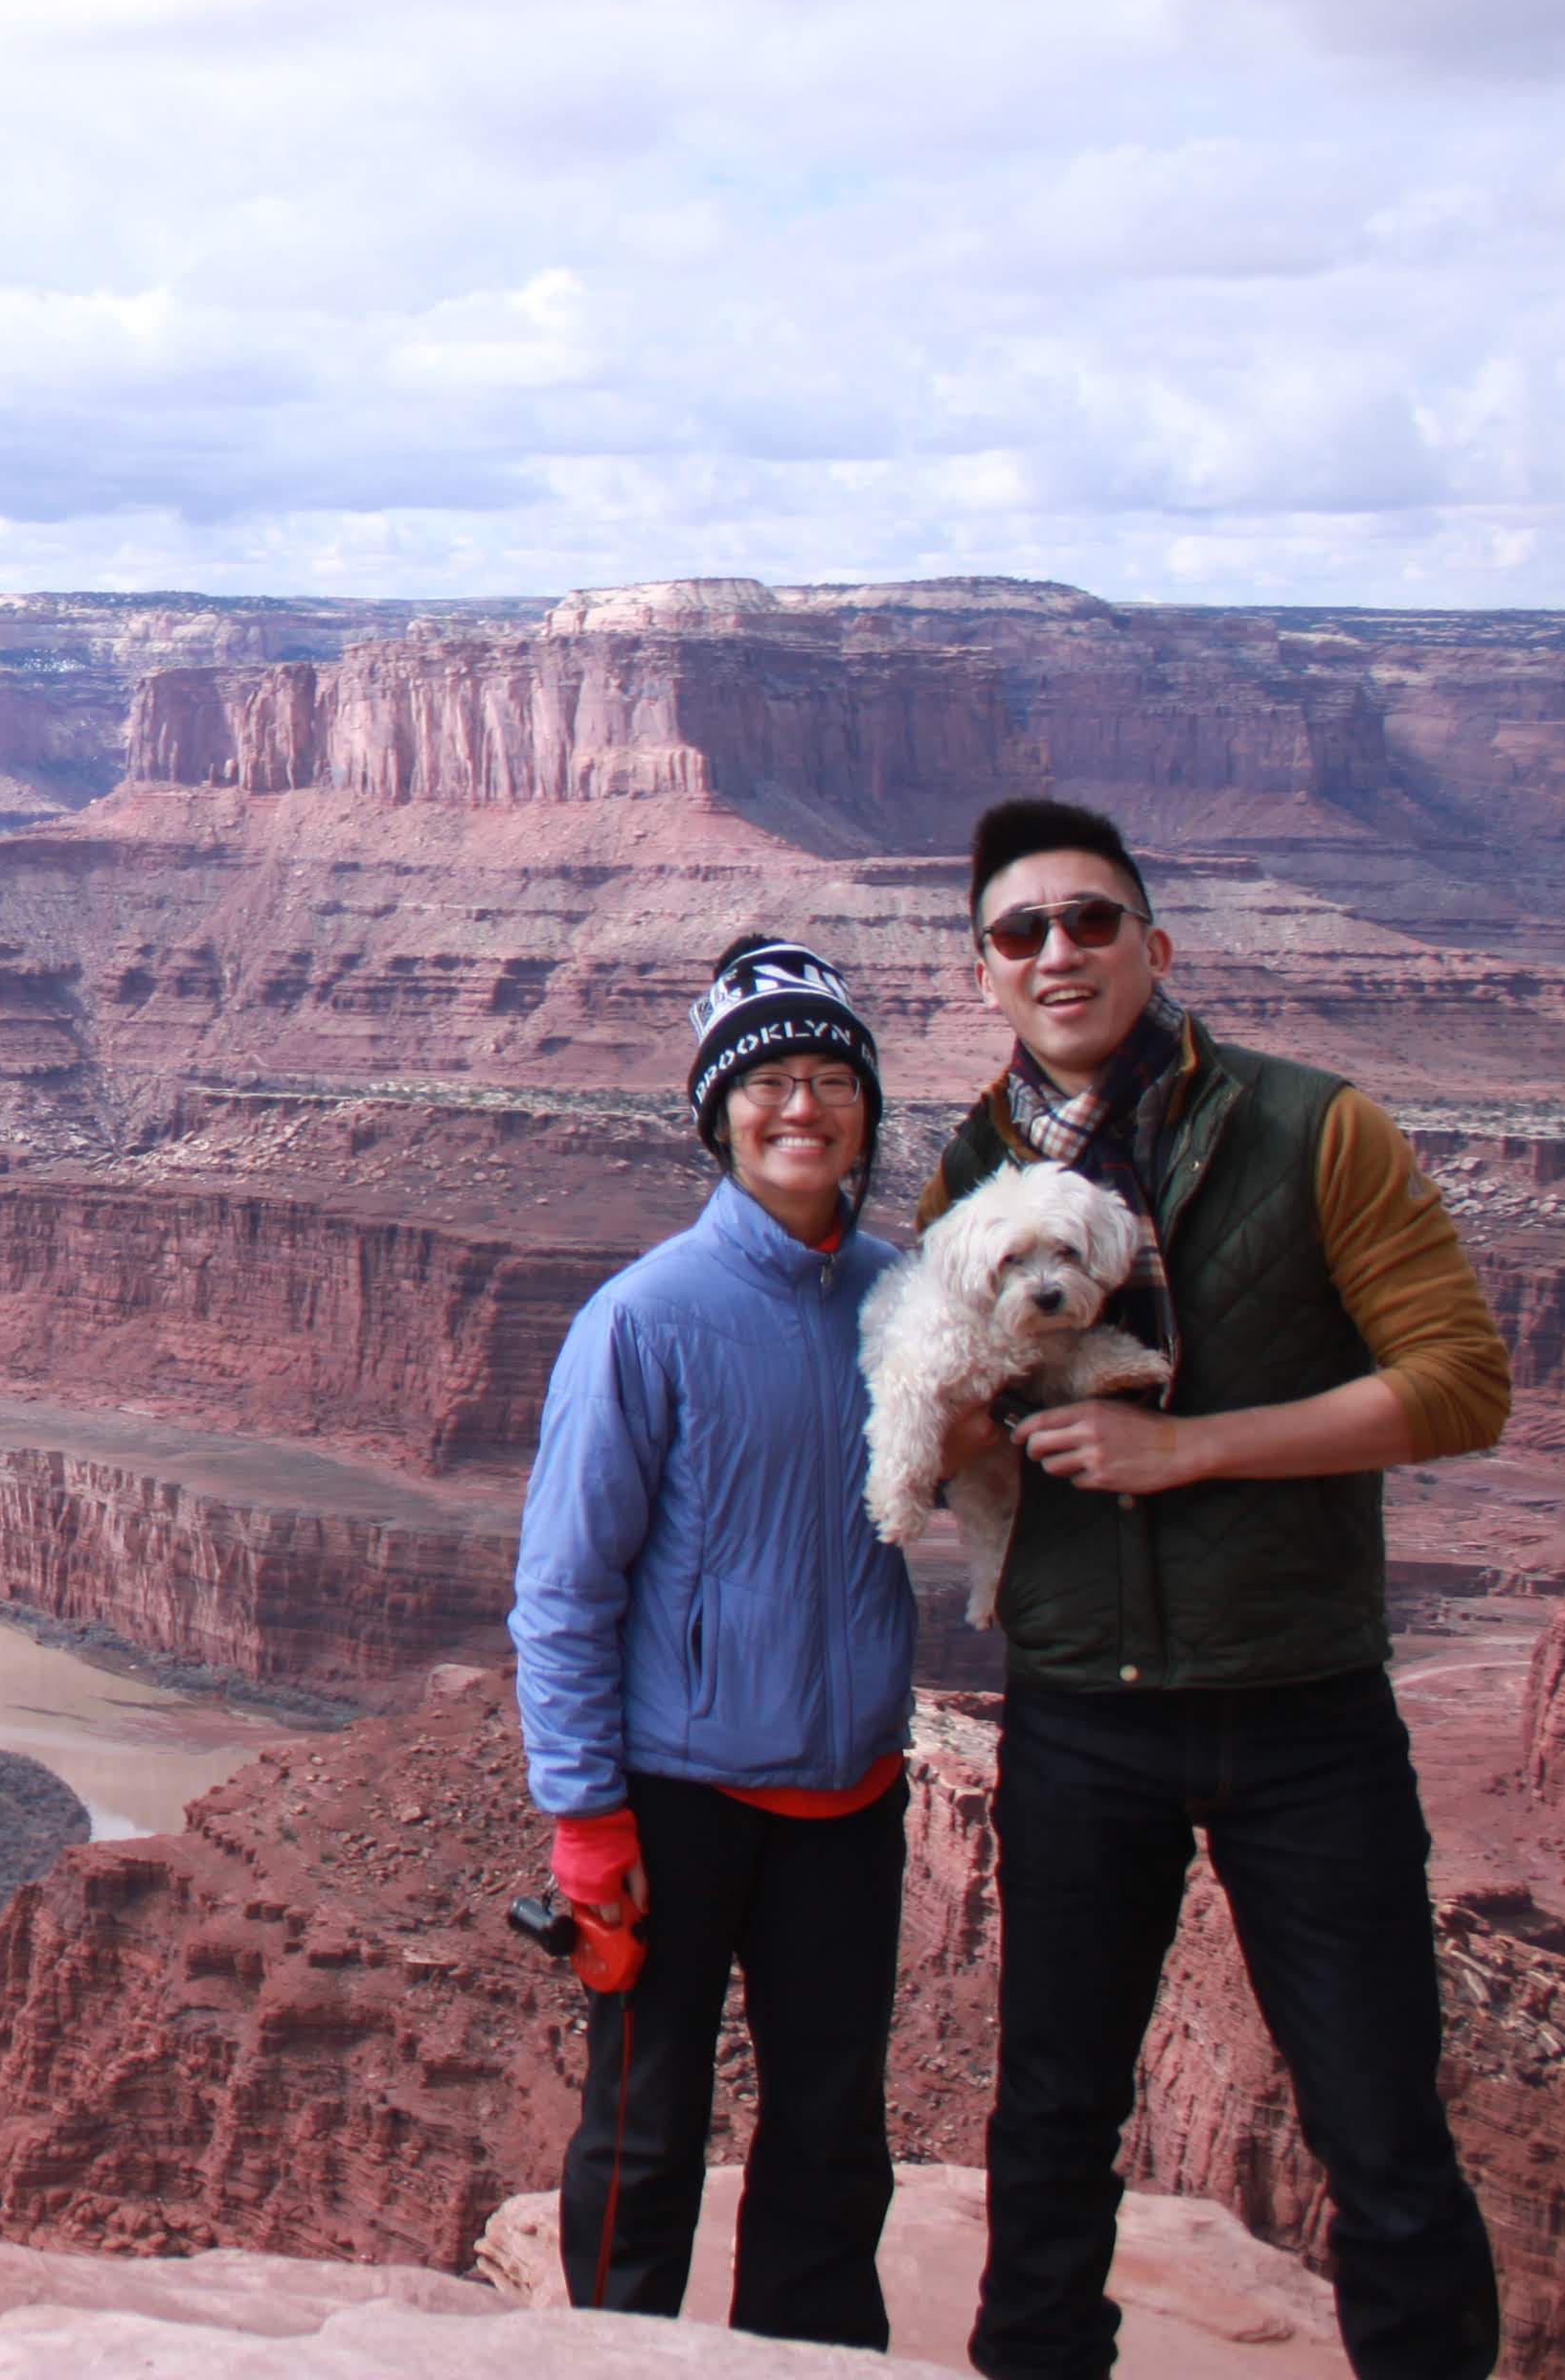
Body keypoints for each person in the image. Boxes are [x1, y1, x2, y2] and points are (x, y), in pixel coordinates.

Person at [930, 799, 1509, 2380]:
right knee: (1051, 2123)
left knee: (1381, 2133)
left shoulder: (1316, 1129)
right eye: (1020, 932)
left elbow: (1462, 1387)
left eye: (1092, 920)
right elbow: (928, 1436)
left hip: (1302, 1709)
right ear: (986, 976)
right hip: (1079, 1720)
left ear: (1156, 946)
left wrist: (1194, 1450)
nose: (1059, 952)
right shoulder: (970, 1172)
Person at [512, 936, 917, 2346]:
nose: (801, 1108)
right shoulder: (645, 1318)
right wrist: (581, 1818)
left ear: (866, 1107)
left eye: (830, 1078)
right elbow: (565, 1588)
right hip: (676, 1798)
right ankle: (616, 2359)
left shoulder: (903, 1297)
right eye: (768, 1084)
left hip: (851, 1794)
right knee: (645, 2123)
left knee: (830, 2133)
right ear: (717, 1115)